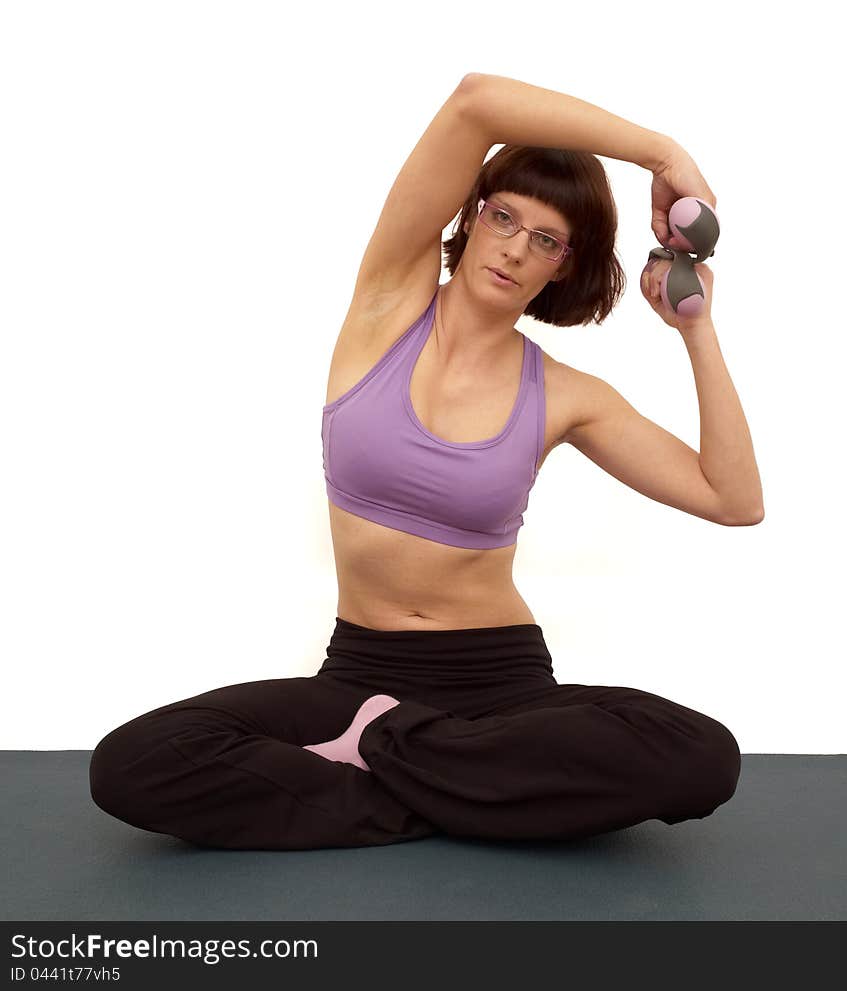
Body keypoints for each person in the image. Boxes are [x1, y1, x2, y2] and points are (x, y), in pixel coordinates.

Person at [89, 73, 763, 850]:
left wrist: (696, 331)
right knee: (133, 764)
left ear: (564, 267)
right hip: (355, 680)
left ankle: (388, 767)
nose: (514, 246)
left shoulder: (570, 395)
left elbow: (733, 498)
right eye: (503, 216)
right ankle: (471, 792)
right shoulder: (386, 308)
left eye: (545, 239)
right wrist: (661, 151)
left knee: (701, 755)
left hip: (500, 686)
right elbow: (476, 102)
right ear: (471, 217)